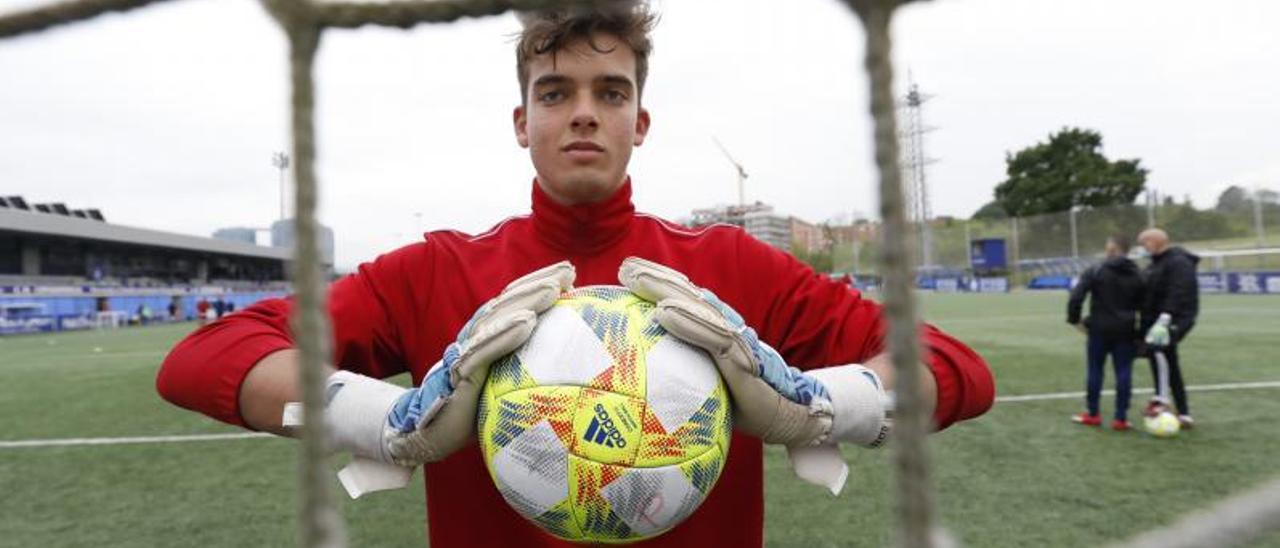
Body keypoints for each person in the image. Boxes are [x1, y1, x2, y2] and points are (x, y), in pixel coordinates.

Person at [156, 4, 994, 546]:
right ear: (523, 122)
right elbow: (204, 358)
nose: (584, 110)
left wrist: (819, 406)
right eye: (556, 92)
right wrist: (388, 419)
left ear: (642, 118)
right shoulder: (434, 270)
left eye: (610, 90)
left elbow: (955, 369)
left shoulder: (731, 266)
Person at [1066, 235, 1144, 430]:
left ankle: (1093, 414)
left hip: (1099, 330)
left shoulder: (1096, 270)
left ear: (1111, 249)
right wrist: (1141, 331)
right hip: (1126, 330)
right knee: (1124, 372)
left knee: (1095, 370)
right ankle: (1120, 418)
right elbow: (1146, 305)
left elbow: (1076, 297)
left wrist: (1075, 320)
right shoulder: (1137, 273)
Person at [1137, 228, 1200, 428]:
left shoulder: (1178, 262)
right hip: (1155, 320)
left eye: (1144, 243)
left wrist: (1165, 319)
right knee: (1164, 358)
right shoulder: (1155, 264)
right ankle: (1182, 412)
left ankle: (1163, 402)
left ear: (1156, 241)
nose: (1142, 247)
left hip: (1173, 320)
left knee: (1160, 353)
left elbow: (1178, 292)